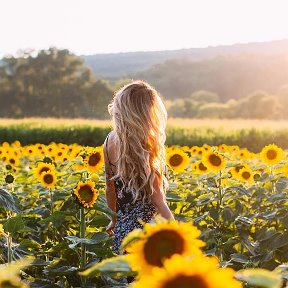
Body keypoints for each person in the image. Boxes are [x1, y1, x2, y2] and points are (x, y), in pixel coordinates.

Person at [104, 80, 174, 255]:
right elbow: (158, 201)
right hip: (147, 233)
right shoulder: (146, 147)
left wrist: (114, 220)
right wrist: (177, 234)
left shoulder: (108, 142)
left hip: (123, 234)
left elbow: (110, 187)